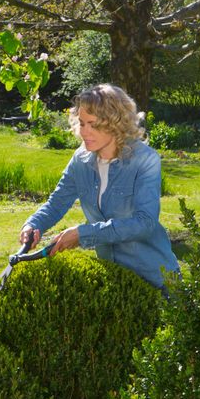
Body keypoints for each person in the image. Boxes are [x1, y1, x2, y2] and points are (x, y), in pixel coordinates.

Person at [20, 83, 180, 295]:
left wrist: (83, 234)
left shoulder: (145, 159)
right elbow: (56, 203)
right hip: (114, 279)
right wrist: (33, 225)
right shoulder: (81, 159)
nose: (83, 132)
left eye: (92, 125)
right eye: (82, 123)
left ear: (115, 123)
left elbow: (145, 223)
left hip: (156, 279)